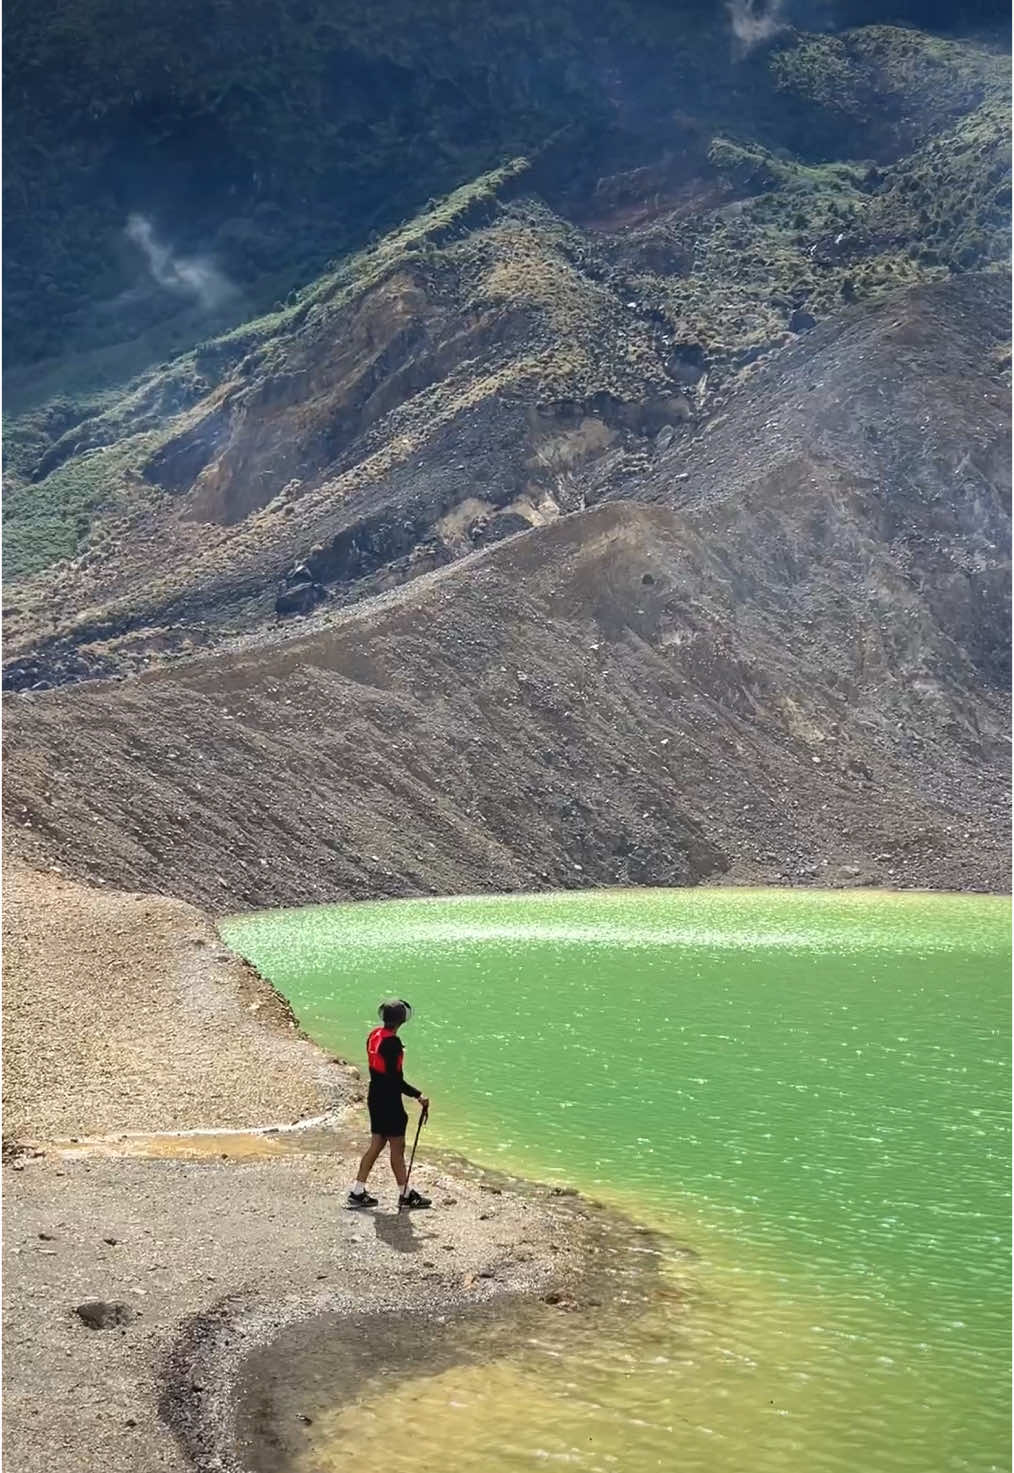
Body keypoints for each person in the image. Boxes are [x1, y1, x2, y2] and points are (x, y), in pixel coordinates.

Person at [347, 998, 431, 1210]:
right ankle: (405, 1194)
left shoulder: (374, 1035)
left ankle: (358, 1191)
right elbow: (395, 1080)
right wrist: (417, 1095)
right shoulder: (392, 1043)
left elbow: (383, 1074)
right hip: (389, 1102)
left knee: (376, 1144)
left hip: (375, 1097)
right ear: (401, 1020)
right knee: (397, 1147)